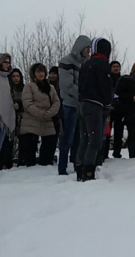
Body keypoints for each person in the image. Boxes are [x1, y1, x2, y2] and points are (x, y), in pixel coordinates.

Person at [75, 37, 112, 181]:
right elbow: (105, 86)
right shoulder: (102, 65)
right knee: (95, 140)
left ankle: (79, 169)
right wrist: (108, 102)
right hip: (94, 105)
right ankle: (88, 171)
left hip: (82, 104)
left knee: (84, 139)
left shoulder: (86, 64)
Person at [58, 35, 91, 175]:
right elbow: (67, 85)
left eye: (90, 47)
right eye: (86, 47)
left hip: (82, 105)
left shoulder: (87, 62)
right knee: (67, 138)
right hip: (70, 104)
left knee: (81, 138)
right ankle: (62, 168)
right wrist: (83, 94)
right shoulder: (66, 61)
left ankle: (77, 164)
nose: (88, 50)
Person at [18, 63, 60, 167]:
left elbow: (56, 102)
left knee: (49, 146)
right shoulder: (29, 86)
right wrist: (40, 113)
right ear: (33, 74)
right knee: (29, 149)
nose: (41, 74)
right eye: (38, 71)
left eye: (42, 71)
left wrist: (49, 113)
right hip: (31, 120)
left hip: (47, 120)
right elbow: (27, 103)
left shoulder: (50, 87)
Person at [114, 60, 135, 159]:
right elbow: (119, 93)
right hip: (130, 110)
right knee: (132, 134)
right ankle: (131, 154)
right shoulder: (127, 80)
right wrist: (132, 98)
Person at [1, 68, 25, 168]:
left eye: (17, 76)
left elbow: (27, 102)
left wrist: (19, 105)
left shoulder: (24, 89)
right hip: (8, 117)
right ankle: (6, 163)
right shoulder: (6, 89)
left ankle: (22, 162)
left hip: (21, 118)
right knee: (7, 142)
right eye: (14, 76)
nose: (16, 78)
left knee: (23, 141)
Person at [47, 66, 62, 165]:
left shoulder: (60, 86)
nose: (52, 76)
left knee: (56, 136)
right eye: (51, 73)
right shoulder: (46, 85)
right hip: (47, 113)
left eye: (54, 74)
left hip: (58, 114)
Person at [109, 61, 124, 158]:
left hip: (120, 108)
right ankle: (104, 153)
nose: (116, 68)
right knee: (106, 132)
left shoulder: (122, 80)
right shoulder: (107, 78)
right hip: (109, 108)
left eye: (117, 66)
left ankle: (117, 152)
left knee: (119, 132)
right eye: (114, 66)